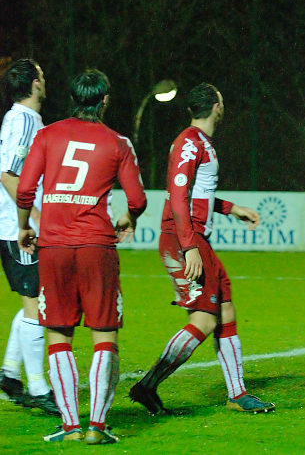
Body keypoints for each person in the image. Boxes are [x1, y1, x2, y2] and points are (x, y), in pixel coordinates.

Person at [16, 69, 147, 443]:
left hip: (53, 247)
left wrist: (25, 226)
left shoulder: (47, 135)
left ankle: (72, 426)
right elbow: (137, 199)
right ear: (104, 100)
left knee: (59, 334)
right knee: (104, 335)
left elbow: (25, 189)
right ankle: (98, 429)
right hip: (96, 248)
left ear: (73, 98)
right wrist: (128, 217)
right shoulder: (117, 143)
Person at [129, 83, 274, 415]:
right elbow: (178, 197)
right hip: (185, 238)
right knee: (205, 320)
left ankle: (237, 394)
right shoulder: (190, 143)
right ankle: (147, 385)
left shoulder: (201, 143)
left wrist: (232, 208)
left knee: (225, 311)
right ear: (217, 107)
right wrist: (189, 246)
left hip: (194, 238)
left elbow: (198, 195)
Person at [0, 58, 58, 415]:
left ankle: (9, 374)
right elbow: (8, 174)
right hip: (18, 229)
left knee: (32, 299)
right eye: (42, 74)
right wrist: (32, 218)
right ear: (34, 84)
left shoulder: (24, 119)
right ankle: (38, 388)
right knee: (36, 302)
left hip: (17, 226)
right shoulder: (23, 119)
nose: (45, 78)